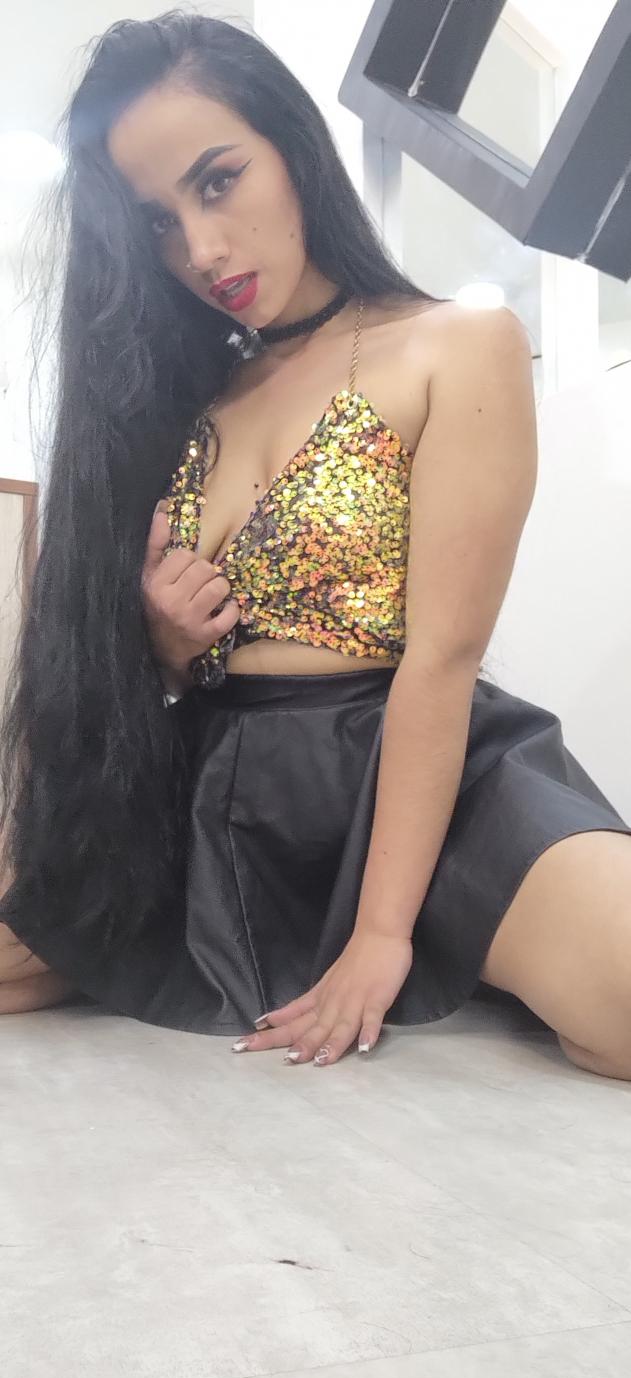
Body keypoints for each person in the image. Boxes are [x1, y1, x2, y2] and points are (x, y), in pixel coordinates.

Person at [1, 11, 631, 1080]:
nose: (201, 249)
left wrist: (381, 933)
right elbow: (122, 679)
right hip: (223, 778)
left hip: (419, 764)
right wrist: (163, 646)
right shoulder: (179, 397)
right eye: (158, 223)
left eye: (217, 181)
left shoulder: (455, 343)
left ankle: (454, 931)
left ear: (292, 146)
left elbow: (440, 659)